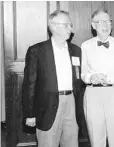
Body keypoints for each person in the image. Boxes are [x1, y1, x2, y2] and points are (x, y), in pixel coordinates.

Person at [22, 10, 84, 147]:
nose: (71, 29)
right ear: (53, 26)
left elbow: (79, 78)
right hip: (47, 105)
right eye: (66, 25)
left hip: (72, 104)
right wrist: (30, 113)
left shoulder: (76, 50)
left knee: (72, 143)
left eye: (71, 24)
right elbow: (29, 84)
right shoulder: (37, 51)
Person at [81, 9, 114, 147]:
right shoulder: (85, 46)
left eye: (108, 21)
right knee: (95, 135)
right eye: (101, 22)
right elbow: (82, 73)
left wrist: (108, 78)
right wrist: (91, 77)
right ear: (93, 26)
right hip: (93, 94)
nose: (106, 25)